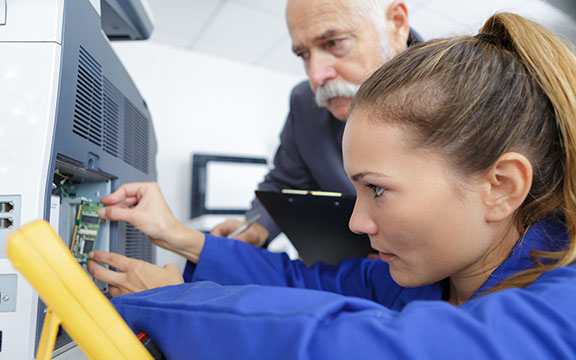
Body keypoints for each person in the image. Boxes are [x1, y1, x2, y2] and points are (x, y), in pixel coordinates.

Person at [88, 12, 576, 359]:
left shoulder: (564, 303)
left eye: (377, 190)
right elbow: (306, 282)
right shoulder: (426, 276)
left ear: (501, 186)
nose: (356, 221)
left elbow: (364, 346)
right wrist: (180, 236)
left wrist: (171, 301)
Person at [211, 0, 421, 247]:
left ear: (396, 24)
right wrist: (256, 227)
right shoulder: (304, 103)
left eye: (334, 42)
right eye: (304, 55)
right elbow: (284, 184)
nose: (315, 76)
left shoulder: (462, 91)